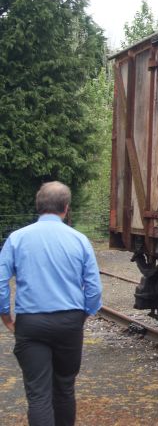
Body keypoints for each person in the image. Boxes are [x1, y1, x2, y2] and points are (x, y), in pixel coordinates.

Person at [0, 181, 103, 426]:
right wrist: (83, 315)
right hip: (69, 322)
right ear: (66, 208)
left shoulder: (17, 239)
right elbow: (94, 288)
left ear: (38, 206)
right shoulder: (79, 240)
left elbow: (1, 281)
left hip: (31, 324)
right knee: (65, 388)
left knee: (38, 394)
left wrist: (5, 315)